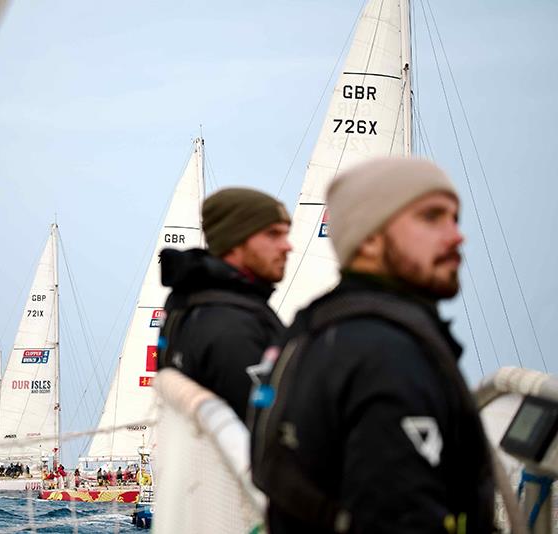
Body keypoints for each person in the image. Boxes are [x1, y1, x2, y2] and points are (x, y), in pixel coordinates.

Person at [251, 158, 495, 533]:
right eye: (431, 217)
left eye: (454, 218)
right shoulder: (387, 356)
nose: (456, 236)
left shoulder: (314, 330)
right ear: (369, 238)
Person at [157, 187, 291, 421]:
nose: (287, 246)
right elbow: (266, 427)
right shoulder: (231, 324)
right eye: (273, 234)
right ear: (235, 240)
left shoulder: (191, 301)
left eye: (286, 234)